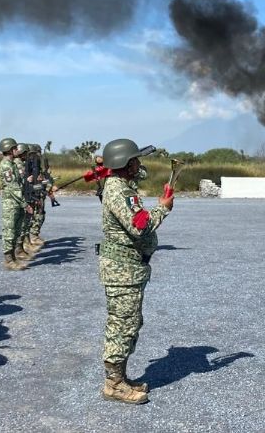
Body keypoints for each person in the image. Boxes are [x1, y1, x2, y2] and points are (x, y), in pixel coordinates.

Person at [97, 138, 173, 405]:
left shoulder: (121, 186)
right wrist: (162, 208)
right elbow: (139, 225)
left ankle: (121, 378)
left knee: (129, 323)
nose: (139, 165)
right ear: (125, 163)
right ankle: (114, 385)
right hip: (122, 271)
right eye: (135, 160)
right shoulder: (119, 191)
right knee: (122, 325)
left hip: (128, 269)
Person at [0, 138, 31, 270]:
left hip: (16, 202)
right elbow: (13, 188)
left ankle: (13, 257)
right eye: (15, 148)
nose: (18, 150)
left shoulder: (12, 165)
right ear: (10, 150)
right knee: (9, 231)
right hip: (10, 203)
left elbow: (19, 184)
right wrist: (25, 204)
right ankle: (8, 259)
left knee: (16, 230)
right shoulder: (6, 166)